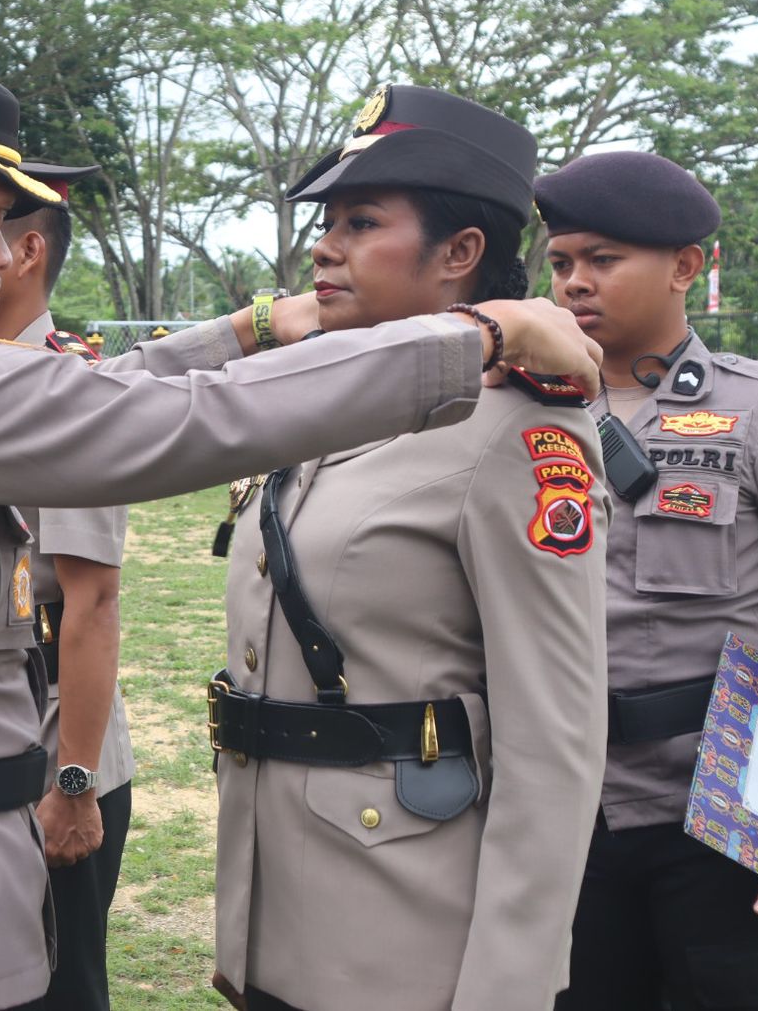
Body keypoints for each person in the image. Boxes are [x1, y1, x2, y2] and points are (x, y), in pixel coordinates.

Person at [0, 54, 602, 1011]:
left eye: (360, 223)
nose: (5, 255)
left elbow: (551, 738)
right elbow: (164, 420)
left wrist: (248, 330)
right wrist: (481, 332)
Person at [206, 84, 611, 1011]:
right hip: (278, 913)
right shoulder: (317, 401)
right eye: (328, 223)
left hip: (402, 939)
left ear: (459, 253)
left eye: (360, 222)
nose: (325, 246)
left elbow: (553, 743)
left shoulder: (518, 433)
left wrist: (506, 991)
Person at [537, 151, 758, 1011]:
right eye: (562, 261)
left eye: (604, 259)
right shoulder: (521, 411)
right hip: (560, 810)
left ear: (685, 266)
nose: (576, 281)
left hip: (727, 813)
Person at [0, 159, 134, 1011]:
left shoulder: (69, 390)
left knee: (60, 987)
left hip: (54, 742)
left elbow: (91, 603)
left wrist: (74, 784)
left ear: (27, 251)